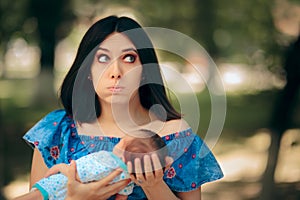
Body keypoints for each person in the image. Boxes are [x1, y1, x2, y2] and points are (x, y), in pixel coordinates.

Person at [22, 15, 223, 199]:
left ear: (145, 69)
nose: (116, 72)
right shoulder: (56, 130)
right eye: (102, 58)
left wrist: (153, 185)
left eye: (129, 58)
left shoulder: (178, 136)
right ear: (88, 70)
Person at [15, 130, 168, 200]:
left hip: (62, 184)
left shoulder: (107, 158)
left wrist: (59, 168)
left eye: (122, 142)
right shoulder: (128, 180)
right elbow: (122, 197)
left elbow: (81, 169)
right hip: (69, 189)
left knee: (36, 195)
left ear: (125, 154)